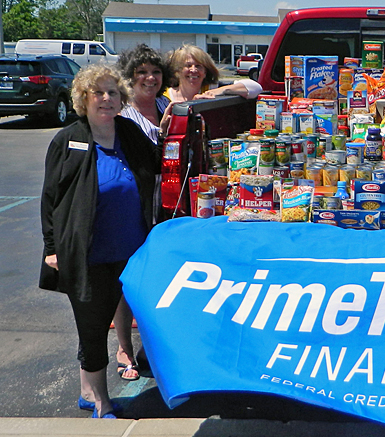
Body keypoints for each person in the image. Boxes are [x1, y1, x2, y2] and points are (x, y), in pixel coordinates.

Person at [39, 64, 160, 419]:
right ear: (83, 98)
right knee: (92, 328)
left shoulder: (128, 132)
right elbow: (51, 198)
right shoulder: (69, 139)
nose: (106, 99)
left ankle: (86, 391)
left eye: (113, 93)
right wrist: (51, 247)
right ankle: (102, 402)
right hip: (89, 255)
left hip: (132, 252)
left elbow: (155, 164)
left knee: (142, 317)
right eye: (99, 93)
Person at [111, 43, 172, 381]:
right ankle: (123, 347)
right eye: (142, 73)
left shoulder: (167, 103)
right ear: (130, 77)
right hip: (137, 201)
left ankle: (149, 344)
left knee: (158, 275)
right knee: (129, 277)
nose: (149, 78)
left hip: (167, 201)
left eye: (155, 72)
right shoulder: (123, 113)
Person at [164, 44, 262, 103]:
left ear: (206, 72)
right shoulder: (164, 97)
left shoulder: (211, 89)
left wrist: (219, 92)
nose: (193, 70)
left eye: (198, 66)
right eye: (188, 66)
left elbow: (255, 87)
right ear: (177, 71)